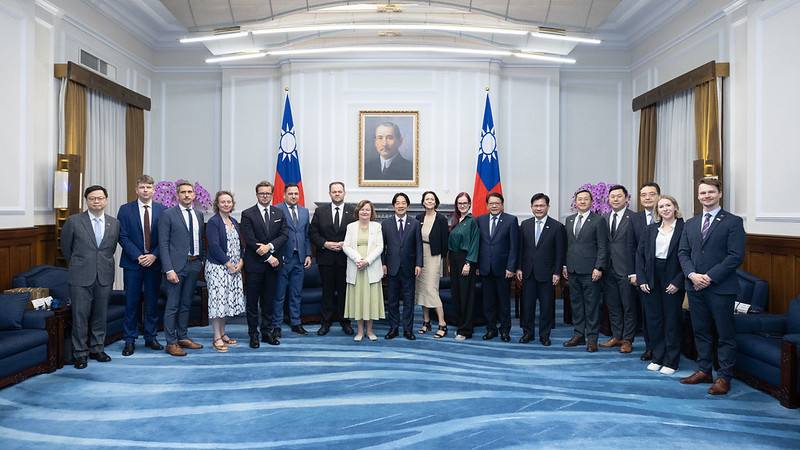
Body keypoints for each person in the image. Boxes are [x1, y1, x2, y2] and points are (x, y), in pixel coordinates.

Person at [678, 178, 745, 395]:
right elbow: (683, 253)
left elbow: (735, 256)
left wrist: (709, 276)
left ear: (719, 194)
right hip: (694, 286)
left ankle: (724, 377)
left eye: (710, 192)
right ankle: (704, 369)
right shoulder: (690, 223)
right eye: (702, 193)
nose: (706, 196)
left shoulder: (733, 222)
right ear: (698, 196)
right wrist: (691, 274)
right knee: (701, 331)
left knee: (724, 334)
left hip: (720, 287)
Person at [60, 185, 120, 369]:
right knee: (80, 316)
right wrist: (81, 264)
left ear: (106, 200)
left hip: (104, 275)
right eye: (92, 198)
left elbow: (110, 250)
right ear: (86, 201)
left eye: (100, 198)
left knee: (100, 315)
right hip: (80, 276)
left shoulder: (114, 223)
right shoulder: (74, 221)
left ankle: (97, 348)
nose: (96, 201)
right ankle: (80, 353)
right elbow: (66, 249)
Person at [117, 174, 165, 356]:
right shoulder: (125, 209)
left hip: (154, 263)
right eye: (142, 187)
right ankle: (129, 340)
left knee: (152, 301)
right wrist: (138, 256)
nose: (146, 190)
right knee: (131, 302)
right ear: (136, 190)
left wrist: (154, 255)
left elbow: (165, 238)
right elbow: (122, 236)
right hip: (132, 264)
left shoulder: (163, 210)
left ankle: (151, 337)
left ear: (154, 190)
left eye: (149, 187)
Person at [636, 195, 685, 375]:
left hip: (673, 277)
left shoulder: (684, 229)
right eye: (661, 206)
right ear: (658, 210)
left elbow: (688, 257)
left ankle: (671, 361)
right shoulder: (650, 230)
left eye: (668, 205)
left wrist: (678, 282)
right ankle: (658, 357)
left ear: (675, 207)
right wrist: (642, 279)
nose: (665, 209)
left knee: (671, 321)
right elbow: (639, 256)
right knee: (654, 321)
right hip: (651, 276)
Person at [158, 181, 206, 357]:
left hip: (194, 265)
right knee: (173, 305)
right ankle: (170, 343)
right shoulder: (168, 214)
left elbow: (200, 239)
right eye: (183, 192)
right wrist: (168, 269)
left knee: (186, 304)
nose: (187, 195)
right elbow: (163, 243)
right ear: (177, 196)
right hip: (175, 267)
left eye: (190, 192)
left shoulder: (199, 215)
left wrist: (201, 260)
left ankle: (183, 337)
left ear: (194, 195)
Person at [240, 181, 288, 348]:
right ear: (257, 194)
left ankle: (267, 332)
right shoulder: (247, 214)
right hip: (255, 266)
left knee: (269, 301)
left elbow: (284, 235)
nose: (265, 196)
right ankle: (253, 334)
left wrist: (270, 247)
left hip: (273, 267)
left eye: (268, 193)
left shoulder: (279, 212)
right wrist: (269, 256)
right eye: (262, 193)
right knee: (253, 302)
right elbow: (251, 241)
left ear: (272, 194)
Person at [562, 188, 608, 352]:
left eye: (585, 199)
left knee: (592, 306)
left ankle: (592, 339)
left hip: (591, 271)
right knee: (576, 305)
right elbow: (567, 245)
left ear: (591, 201)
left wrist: (599, 267)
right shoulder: (569, 220)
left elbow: (603, 246)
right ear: (575, 202)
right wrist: (565, 265)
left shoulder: (598, 220)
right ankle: (579, 335)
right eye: (579, 199)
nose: (582, 201)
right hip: (573, 270)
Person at [516, 193, 565, 346]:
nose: (539, 208)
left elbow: (560, 252)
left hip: (547, 274)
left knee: (546, 307)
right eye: (536, 206)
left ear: (548, 207)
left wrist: (557, 272)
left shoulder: (557, 226)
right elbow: (520, 249)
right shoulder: (525, 225)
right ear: (531, 207)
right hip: (528, 273)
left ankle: (545, 335)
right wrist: (518, 268)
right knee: (527, 306)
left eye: (542, 205)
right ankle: (528, 333)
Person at [309, 181, 356, 336]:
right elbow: (313, 232)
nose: (337, 194)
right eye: (334, 191)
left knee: (345, 292)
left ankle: (345, 322)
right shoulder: (320, 211)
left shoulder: (353, 211)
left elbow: (356, 234)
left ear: (344, 193)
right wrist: (325, 244)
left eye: (339, 191)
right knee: (327, 292)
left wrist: (346, 244)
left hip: (345, 259)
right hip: (326, 259)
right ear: (329, 193)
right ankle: (326, 322)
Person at [205, 191, 245, 353]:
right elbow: (214, 246)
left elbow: (242, 244)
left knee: (226, 302)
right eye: (223, 202)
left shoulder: (234, 221)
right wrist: (228, 263)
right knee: (218, 302)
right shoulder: (214, 222)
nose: (226, 204)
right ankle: (216, 337)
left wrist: (241, 261)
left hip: (234, 269)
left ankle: (223, 333)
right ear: (217, 204)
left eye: (229, 201)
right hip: (218, 268)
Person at [476, 192, 519, 342]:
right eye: (491, 203)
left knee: (504, 303)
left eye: (497, 203)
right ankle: (491, 329)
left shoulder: (511, 220)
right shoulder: (480, 220)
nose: (494, 205)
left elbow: (514, 247)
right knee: (488, 302)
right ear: (487, 205)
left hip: (503, 269)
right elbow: (478, 245)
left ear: (502, 205)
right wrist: (477, 265)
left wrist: (511, 267)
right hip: (485, 268)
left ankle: (505, 331)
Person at [600, 184, 637, 353]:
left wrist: (635, 271)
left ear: (627, 199)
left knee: (628, 306)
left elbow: (639, 247)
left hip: (627, 269)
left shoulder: (634, 218)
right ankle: (617, 336)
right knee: (613, 306)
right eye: (612, 196)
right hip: (608, 270)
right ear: (608, 199)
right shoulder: (604, 218)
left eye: (619, 196)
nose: (615, 199)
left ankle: (628, 340)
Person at [382, 192, 423, 340]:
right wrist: (383, 264)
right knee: (392, 301)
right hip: (392, 267)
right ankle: (393, 328)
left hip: (409, 267)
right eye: (398, 203)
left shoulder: (415, 223)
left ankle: (408, 329)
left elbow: (419, 245)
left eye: (403, 202)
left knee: (408, 300)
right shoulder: (385, 224)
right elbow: (382, 246)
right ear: (394, 206)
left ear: (407, 205)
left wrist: (419, 264)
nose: (400, 205)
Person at [343, 200, 385, 341]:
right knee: (359, 300)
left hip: (371, 267)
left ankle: (370, 331)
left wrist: (367, 261)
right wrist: (358, 259)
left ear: (371, 212)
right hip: (356, 267)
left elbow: (380, 247)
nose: (365, 212)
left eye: (367, 209)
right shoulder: (351, 227)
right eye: (362, 209)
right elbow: (346, 246)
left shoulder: (377, 226)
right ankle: (360, 331)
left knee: (370, 300)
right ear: (358, 211)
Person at [273, 184, 312, 336]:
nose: (294, 196)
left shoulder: (304, 211)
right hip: (283, 258)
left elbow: (306, 235)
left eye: (296, 193)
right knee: (279, 294)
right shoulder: (277, 209)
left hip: (300, 259)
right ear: (284, 195)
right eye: (290, 194)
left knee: (296, 293)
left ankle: (296, 322)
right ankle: (276, 325)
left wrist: (308, 254)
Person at [630, 182, 661, 361]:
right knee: (647, 314)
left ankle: (664, 348)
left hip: (664, 275)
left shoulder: (667, 213)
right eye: (643, 195)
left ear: (659, 195)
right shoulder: (635, 218)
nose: (647, 198)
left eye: (651, 194)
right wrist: (634, 273)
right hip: (642, 275)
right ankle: (650, 348)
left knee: (664, 315)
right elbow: (631, 247)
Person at [415, 191, 449, 339]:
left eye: (432, 199)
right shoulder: (418, 218)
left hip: (434, 256)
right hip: (419, 256)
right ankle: (426, 322)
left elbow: (445, 241)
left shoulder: (441, 218)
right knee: (422, 289)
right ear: (423, 202)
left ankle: (442, 323)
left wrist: (441, 258)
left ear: (435, 202)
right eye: (427, 199)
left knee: (431, 289)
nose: (429, 201)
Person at [448, 192, 480, 341]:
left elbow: (475, 243)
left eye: (465, 203)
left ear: (469, 204)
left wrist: (468, 263)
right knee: (457, 295)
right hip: (454, 260)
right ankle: (460, 325)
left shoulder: (472, 221)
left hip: (466, 260)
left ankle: (466, 330)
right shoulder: (456, 219)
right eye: (459, 203)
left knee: (467, 295)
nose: (462, 205)